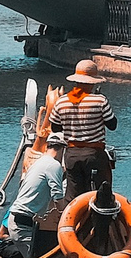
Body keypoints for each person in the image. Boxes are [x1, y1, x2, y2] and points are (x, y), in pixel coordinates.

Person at [47, 61, 118, 196]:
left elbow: (55, 127)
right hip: (95, 154)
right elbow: (113, 125)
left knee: (73, 195)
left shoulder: (61, 102)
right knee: (102, 193)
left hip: (72, 155)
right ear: (92, 82)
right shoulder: (100, 100)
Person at [2, 144, 67, 258]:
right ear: (63, 150)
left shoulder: (38, 163)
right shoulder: (53, 165)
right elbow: (58, 198)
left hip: (19, 221)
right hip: (23, 224)